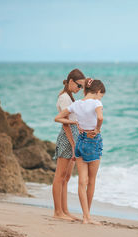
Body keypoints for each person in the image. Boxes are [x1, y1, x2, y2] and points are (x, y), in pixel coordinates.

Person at [55, 78, 105, 225]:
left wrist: (75, 122)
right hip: (93, 141)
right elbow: (100, 117)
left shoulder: (76, 104)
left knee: (81, 182)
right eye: (101, 95)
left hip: (80, 141)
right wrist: (97, 129)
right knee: (92, 181)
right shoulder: (97, 103)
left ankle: (85, 217)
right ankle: (88, 216)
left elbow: (58, 118)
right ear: (97, 92)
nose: (100, 98)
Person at [52, 69, 85, 221]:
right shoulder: (64, 98)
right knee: (60, 177)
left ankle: (64, 211)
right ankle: (58, 212)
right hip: (67, 137)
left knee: (66, 178)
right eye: (79, 85)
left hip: (72, 136)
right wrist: (73, 145)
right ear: (71, 81)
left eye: (82, 87)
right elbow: (66, 125)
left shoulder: (69, 97)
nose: (80, 89)